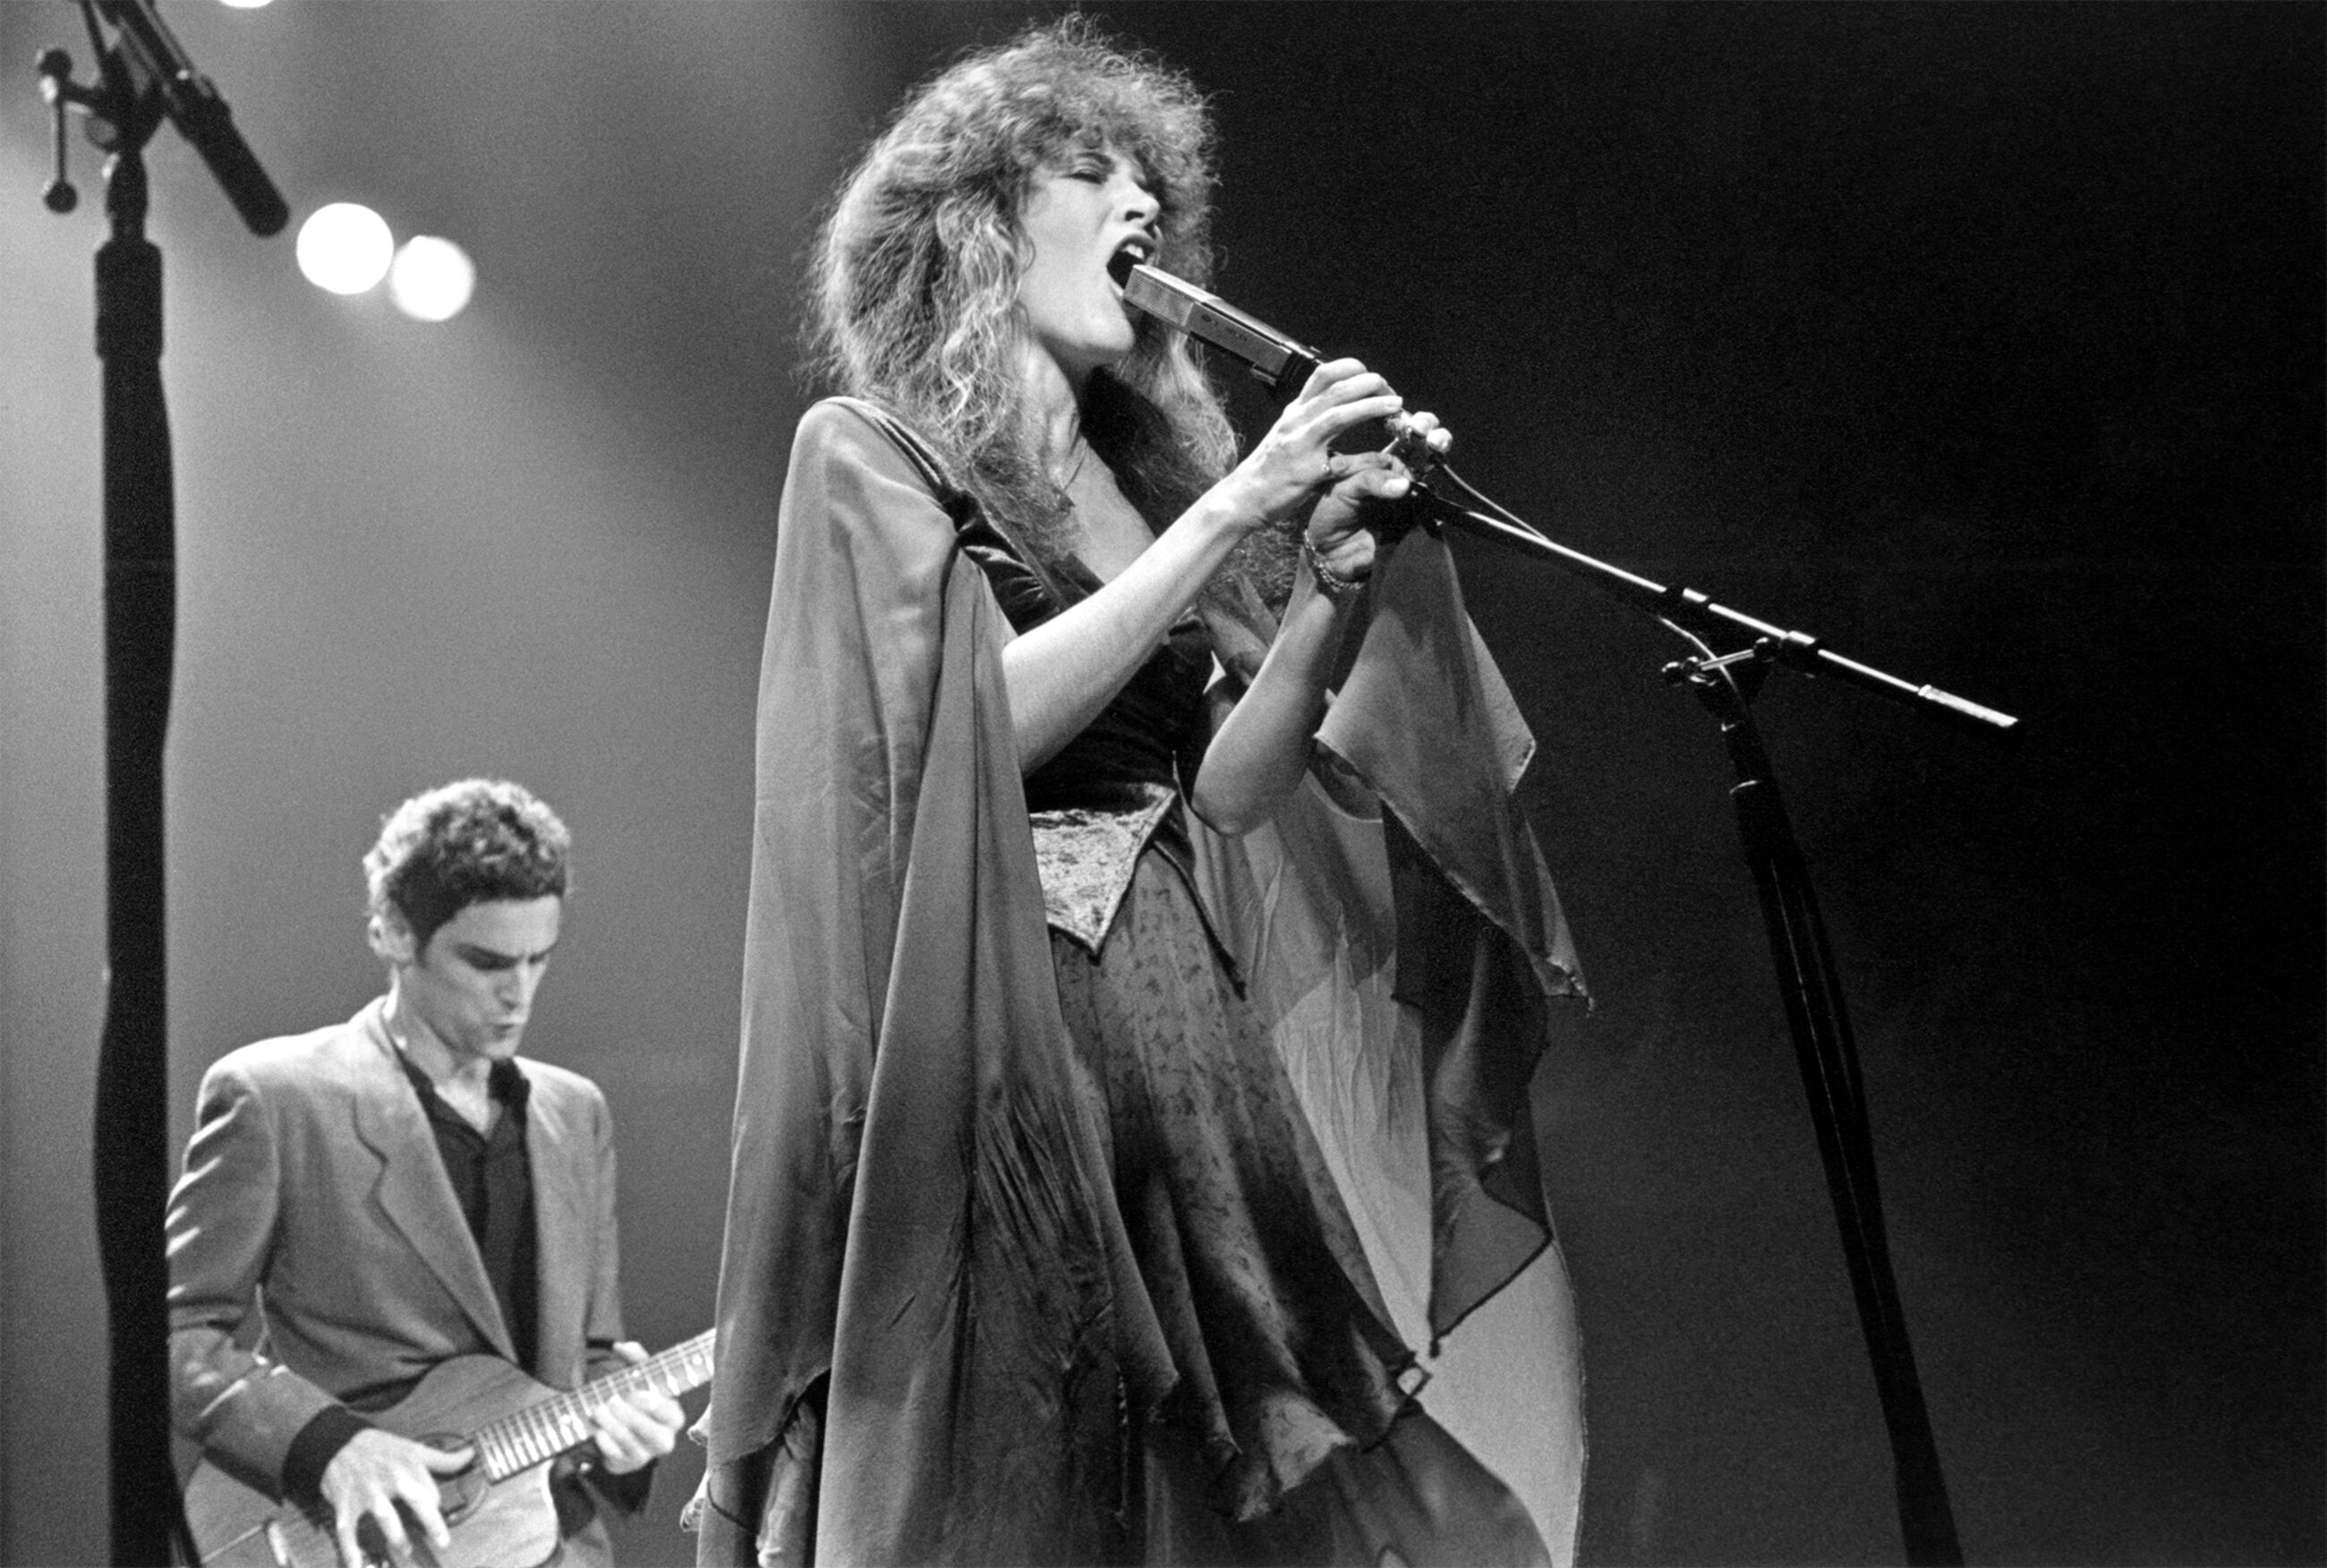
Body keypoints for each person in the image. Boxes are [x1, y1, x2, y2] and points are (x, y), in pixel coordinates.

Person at [697, 20, 1588, 1566]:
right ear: (976, 224)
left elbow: (1232, 793)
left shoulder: (1144, 494)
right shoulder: (870, 451)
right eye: (1088, 170)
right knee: (1028, 1441)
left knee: (1220, 1470)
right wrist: (1244, 500)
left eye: (1151, 186)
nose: (1139, 208)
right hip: (993, 1005)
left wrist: (1326, 586)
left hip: (1173, 1002)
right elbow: (974, 730)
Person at [167, 778, 684, 1568]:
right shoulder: (276, 1097)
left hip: (545, 1543)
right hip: (351, 1542)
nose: (519, 993)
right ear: (395, 933)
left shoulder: (575, 1112)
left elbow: (589, 1357)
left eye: (539, 959)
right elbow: (175, 1340)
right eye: (486, 962)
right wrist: (332, 1450)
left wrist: (627, 1435)